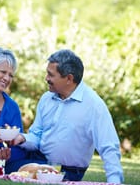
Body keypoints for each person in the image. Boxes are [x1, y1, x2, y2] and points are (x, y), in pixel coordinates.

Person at [9, 49, 124, 183]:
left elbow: (108, 146)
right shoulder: (46, 99)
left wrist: (114, 180)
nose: (46, 78)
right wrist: (22, 138)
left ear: (69, 78)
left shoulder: (94, 105)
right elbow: (37, 135)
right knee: (6, 168)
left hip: (68, 171)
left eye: (51, 75)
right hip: (38, 161)